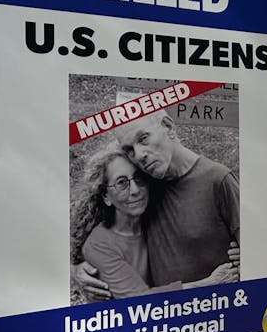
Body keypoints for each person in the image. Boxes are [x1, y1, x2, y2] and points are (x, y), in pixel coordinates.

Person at [75, 111, 240, 299]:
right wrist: (80, 269)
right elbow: (101, 241)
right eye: (129, 149)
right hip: (162, 319)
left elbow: (259, 250)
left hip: (215, 315)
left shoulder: (218, 180)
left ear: (168, 127)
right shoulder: (144, 188)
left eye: (144, 138)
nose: (139, 155)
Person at [71, 143, 186, 300]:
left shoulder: (155, 218)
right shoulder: (98, 246)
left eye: (138, 178)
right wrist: (210, 283)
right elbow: (140, 300)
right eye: (121, 183)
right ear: (106, 196)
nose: (135, 190)